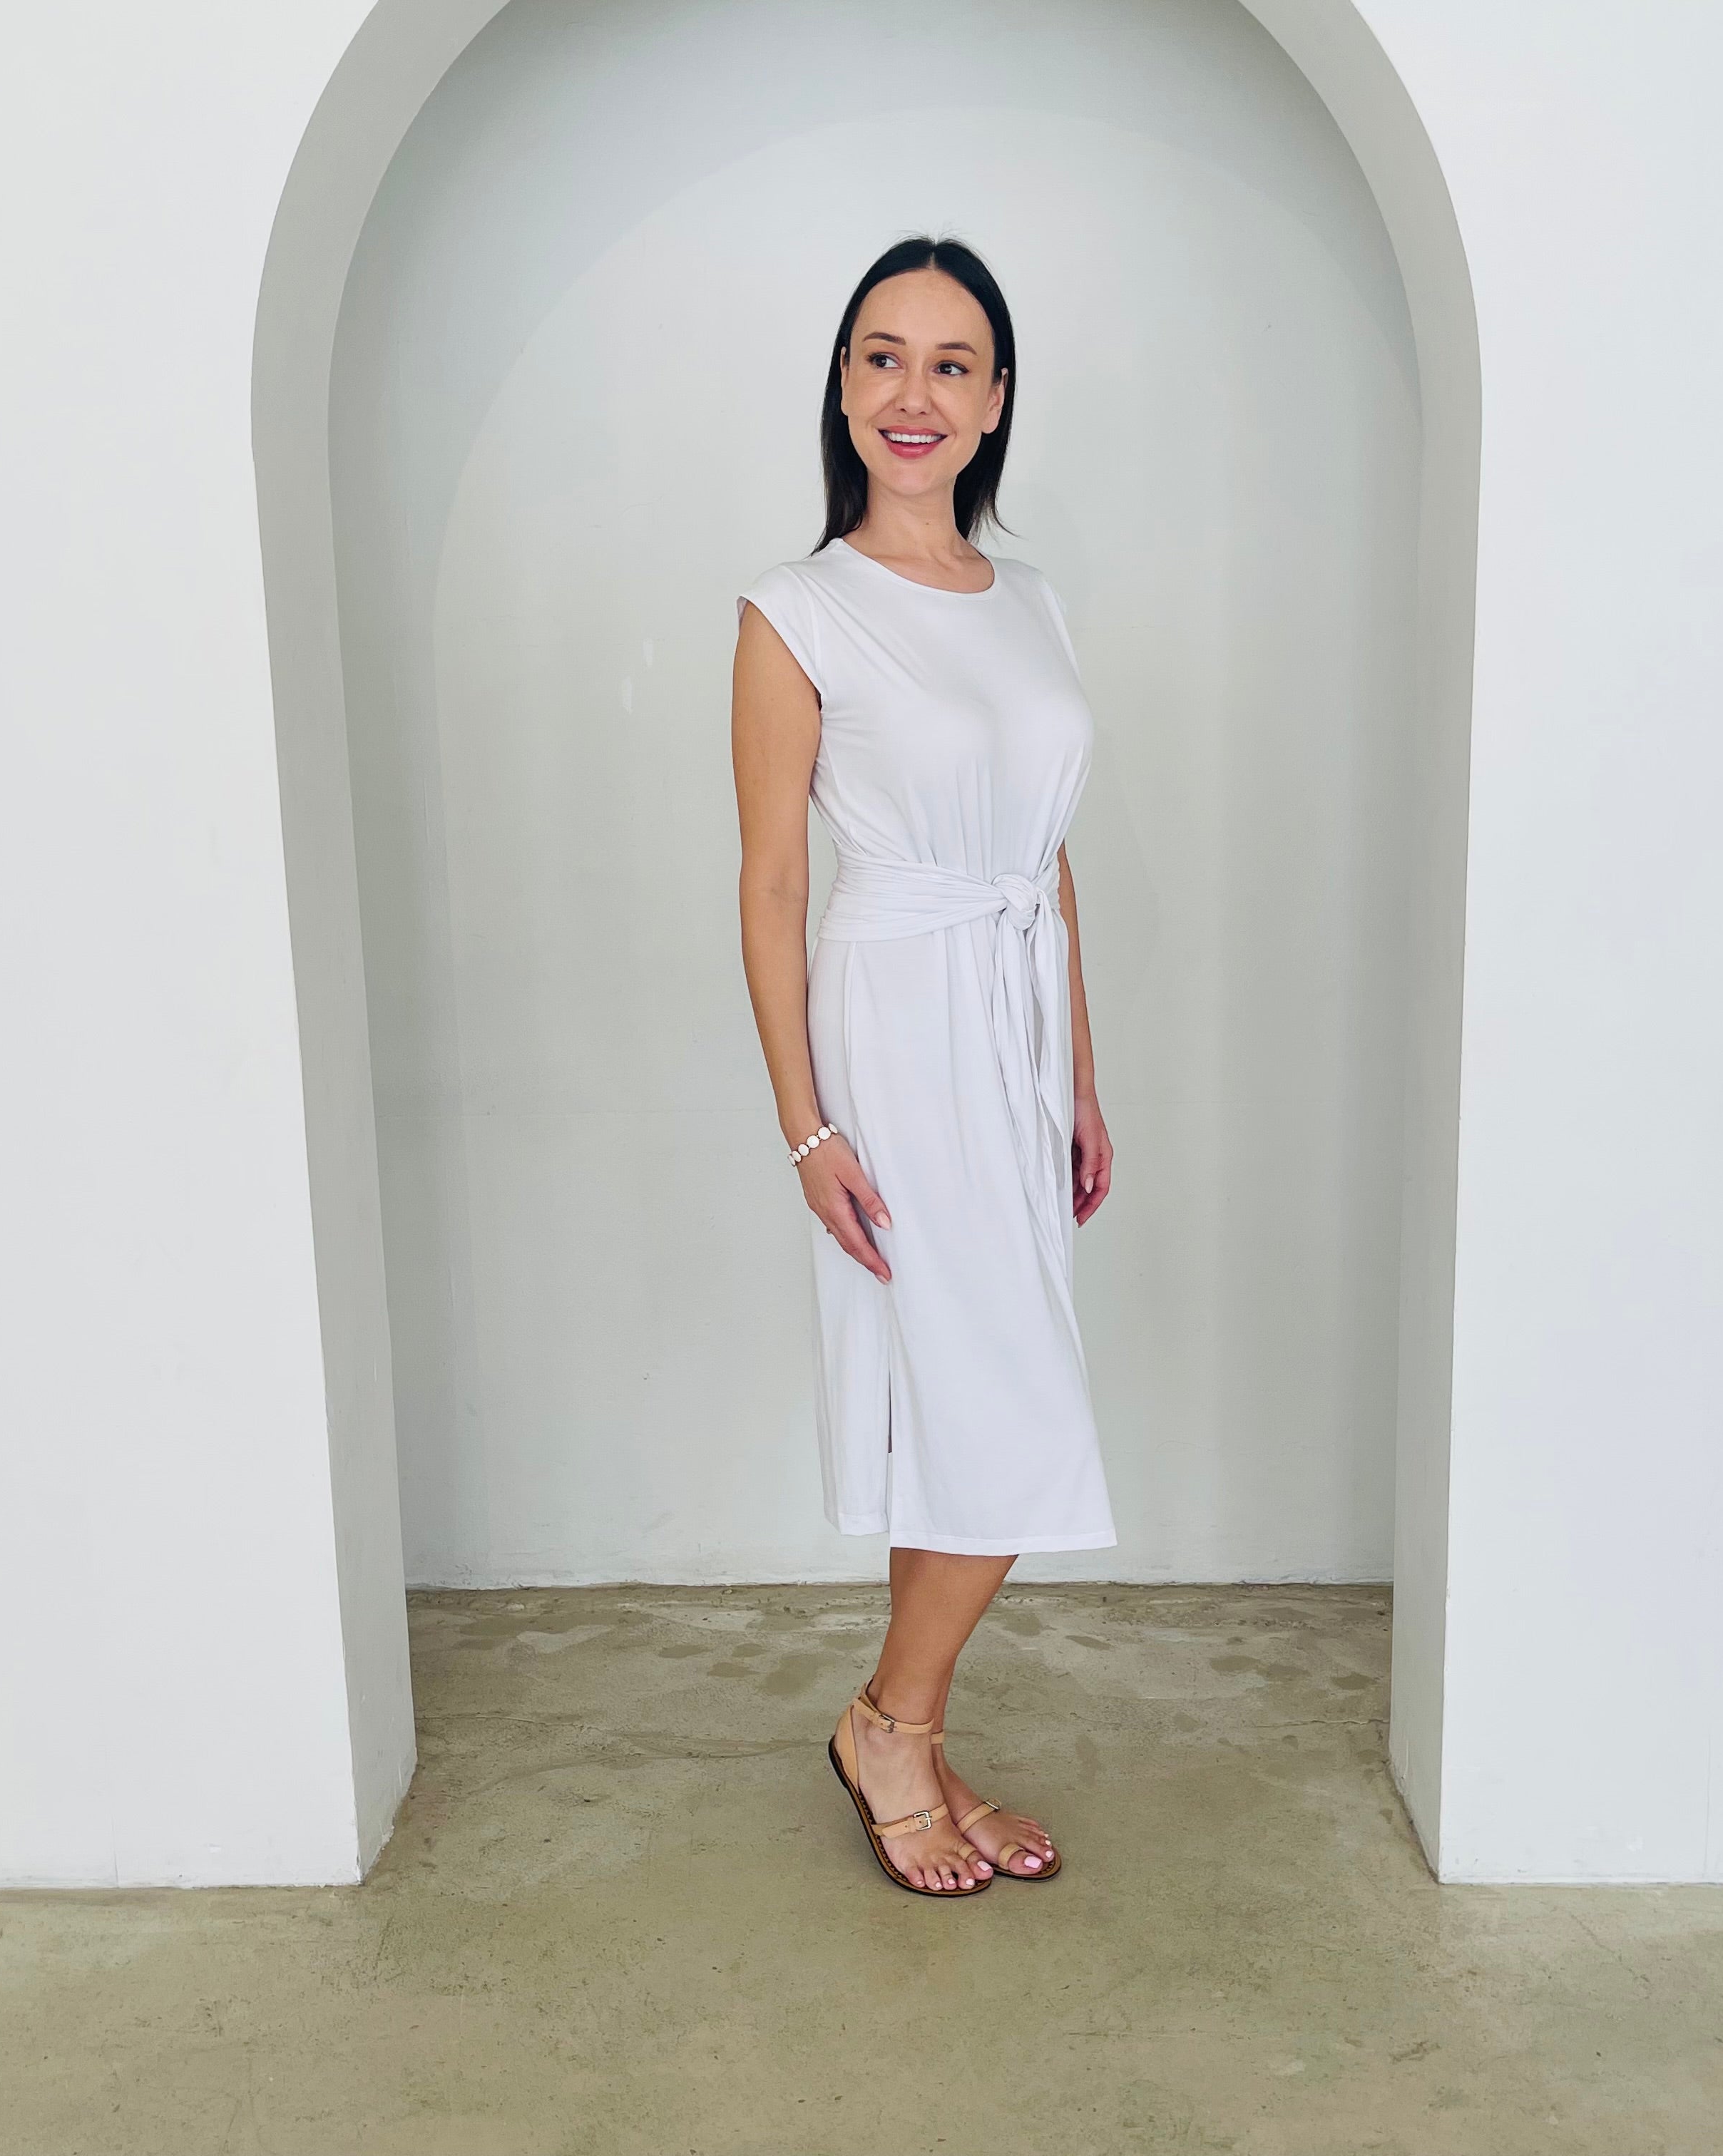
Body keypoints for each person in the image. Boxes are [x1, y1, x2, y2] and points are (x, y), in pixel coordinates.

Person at [732, 236, 1116, 1898]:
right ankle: (890, 1724)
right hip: (896, 1024)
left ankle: (909, 1728)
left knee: (974, 1403)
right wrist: (805, 1130)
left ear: (997, 402)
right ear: (841, 385)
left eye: (951, 363)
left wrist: (1084, 1080)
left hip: (1016, 1026)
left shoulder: (1030, 601)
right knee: (1001, 1395)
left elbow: (1053, 855)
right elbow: (766, 887)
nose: (914, 392)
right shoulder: (796, 612)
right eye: (882, 357)